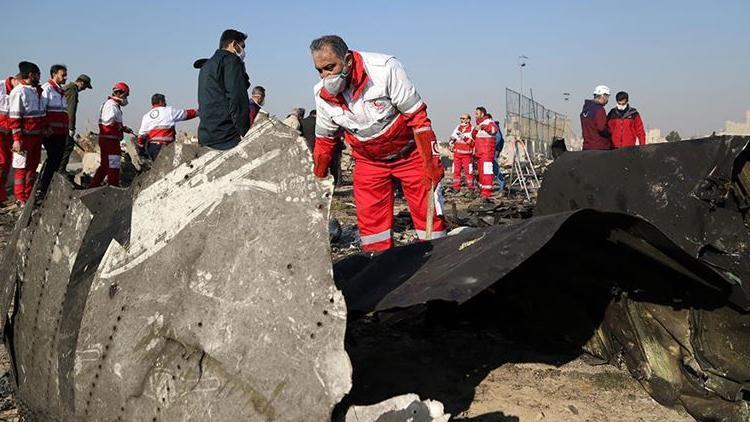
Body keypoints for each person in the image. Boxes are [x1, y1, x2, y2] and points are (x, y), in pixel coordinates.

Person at [310, 35, 446, 251]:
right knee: (372, 226)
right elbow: (325, 142)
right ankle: (381, 267)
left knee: (428, 216)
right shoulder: (322, 95)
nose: (326, 75)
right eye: (320, 70)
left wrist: (431, 162)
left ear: (347, 60)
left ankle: (439, 259)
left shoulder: (384, 69)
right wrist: (317, 181)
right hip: (369, 162)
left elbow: (418, 118)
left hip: (409, 155)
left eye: (330, 67)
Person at [198, 29, 250, 150]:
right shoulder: (231, 61)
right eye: (242, 47)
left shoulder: (207, 65)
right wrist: (244, 132)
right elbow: (237, 98)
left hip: (206, 133)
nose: (243, 51)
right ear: (233, 44)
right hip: (226, 135)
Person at [8, 61, 48, 206]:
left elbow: (41, 114)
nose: (39, 77)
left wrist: (44, 128)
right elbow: (15, 118)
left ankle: (29, 195)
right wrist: (17, 139)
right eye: (38, 74)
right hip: (24, 138)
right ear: (31, 75)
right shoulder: (19, 92)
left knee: (32, 167)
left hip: (36, 137)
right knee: (21, 168)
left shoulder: (36, 92)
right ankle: (20, 197)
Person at [89, 82, 133, 188]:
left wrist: (123, 128)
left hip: (107, 140)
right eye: (126, 95)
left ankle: (92, 186)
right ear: (120, 93)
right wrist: (119, 128)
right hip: (110, 141)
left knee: (104, 166)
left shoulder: (111, 104)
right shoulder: (111, 105)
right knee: (114, 165)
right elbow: (108, 122)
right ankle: (113, 186)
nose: (126, 98)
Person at [38, 64, 69, 198]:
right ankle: (43, 187)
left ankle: (50, 186)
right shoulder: (47, 90)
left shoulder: (60, 91)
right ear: (54, 74)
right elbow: (41, 110)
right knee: (53, 159)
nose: (65, 77)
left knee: (57, 160)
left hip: (61, 132)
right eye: (63, 75)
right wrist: (45, 127)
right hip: (51, 133)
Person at [137, 94, 198, 160]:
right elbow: (186, 114)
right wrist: (198, 112)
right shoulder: (169, 111)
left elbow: (141, 136)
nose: (166, 103)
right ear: (160, 101)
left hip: (152, 149)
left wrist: (141, 148)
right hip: (166, 147)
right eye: (165, 101)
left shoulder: (146, 116)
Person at [58, 74, 92, 173]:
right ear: (81, 82)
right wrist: (71, 128)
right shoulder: (72, 90)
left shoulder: (69, 88)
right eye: (85, 86)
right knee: (68, 146)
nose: (84, 89)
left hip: (61, 123)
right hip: (64, 124)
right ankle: (60, 171)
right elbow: (71, 110)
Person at [471, 107, 499, 200]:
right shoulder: (479, 124)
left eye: (477, 113)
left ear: (482, 114)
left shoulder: (489, 122)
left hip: (487, 153)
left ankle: (486, 193)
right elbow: (474, 136)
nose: (475, 115)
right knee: (481, 173)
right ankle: (482, 191)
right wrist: (475, 130)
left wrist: (483, 127)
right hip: (479, 153)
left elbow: (494, 130)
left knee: (487, 173)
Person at [0, 74, 18, 206]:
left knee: (7, 164)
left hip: (9, 133)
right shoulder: (0, 87)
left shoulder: (17, 91)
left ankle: (1, 196)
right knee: (2, 162)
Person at [448, 114, 474, 192]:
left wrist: (464, 137)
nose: (462, 120)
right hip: (457, 154)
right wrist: (451, 143)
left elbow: (473, 143)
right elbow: (452, 137)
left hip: (467, 155)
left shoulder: (472, 129)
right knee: (456, 171)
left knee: (469, 172)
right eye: (461, 118)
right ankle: (456, 187)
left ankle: (471, 187)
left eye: (463, 118)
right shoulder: (458, 128)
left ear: (468, 120)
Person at [580, 85, 611, 150]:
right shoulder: (599, 109)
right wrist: (610, 132)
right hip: (599, 147)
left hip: (587, 146)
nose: (607, 100)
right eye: (607, 97)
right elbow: (601, 128)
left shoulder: (585, 109)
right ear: (603, 96)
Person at [487, 113, 506, 191]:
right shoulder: (492, 126)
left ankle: (501, 183)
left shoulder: (493, 126)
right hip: (491, 150)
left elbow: (498, 138)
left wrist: (492, 147)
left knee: (493, 168)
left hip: (492, 150)